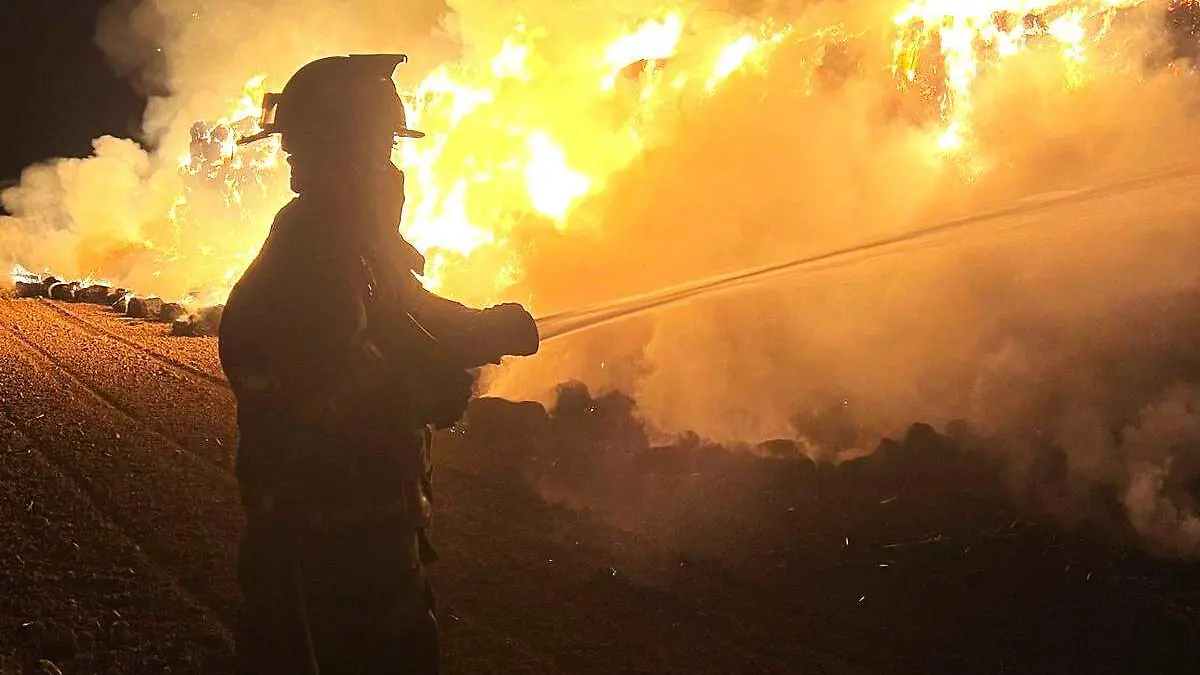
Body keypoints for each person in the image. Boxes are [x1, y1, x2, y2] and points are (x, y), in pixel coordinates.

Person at [218, 54, 539, 675]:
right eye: (379, 153)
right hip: (316, 562)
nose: (393, 174)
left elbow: (411, 312)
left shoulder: (354, 250)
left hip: (379, 545)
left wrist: (486, 327)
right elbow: (319, 396)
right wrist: (423, 390)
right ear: (333, 157)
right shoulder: (302, 268)